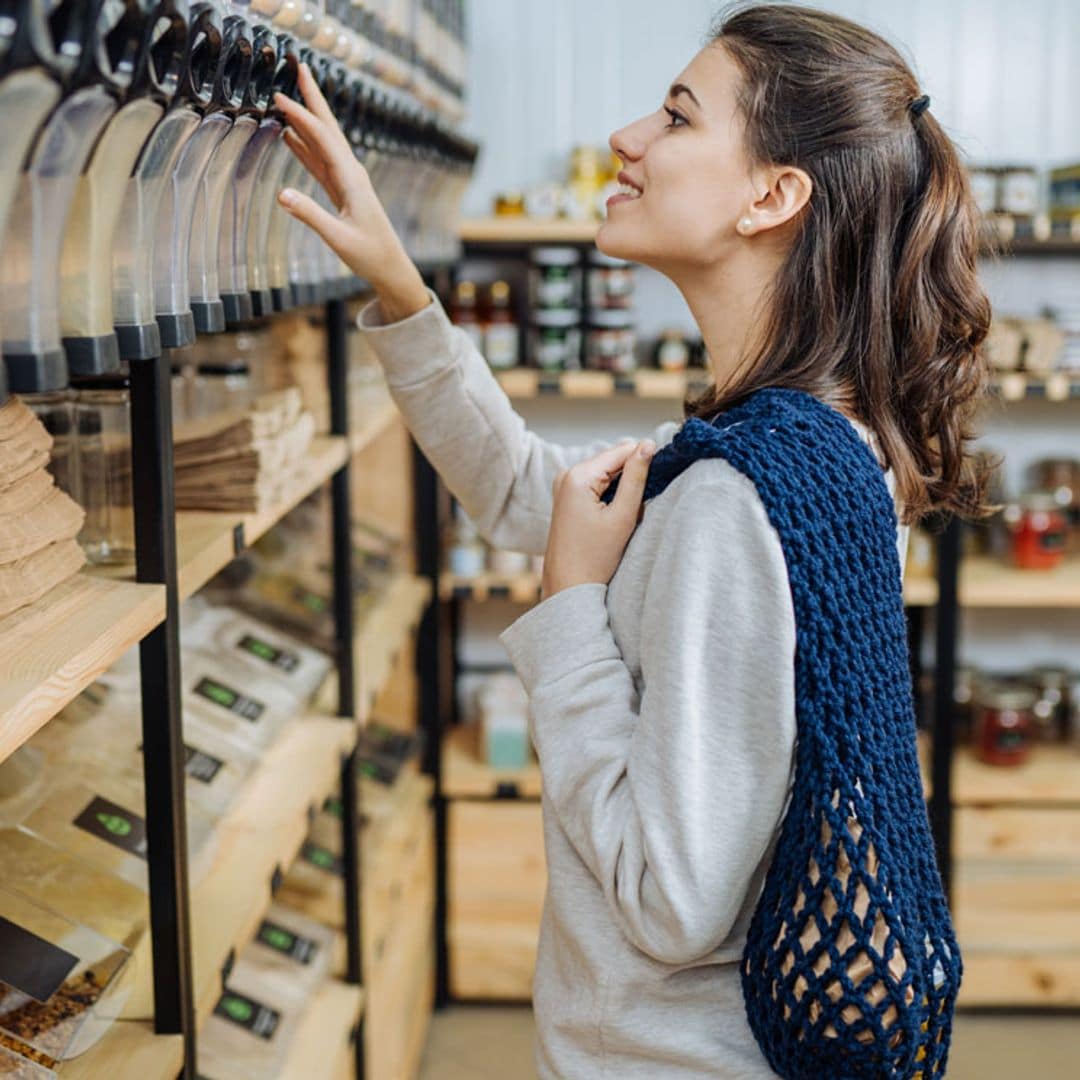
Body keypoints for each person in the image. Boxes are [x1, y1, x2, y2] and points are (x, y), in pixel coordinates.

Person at [274, 4, 990, 1076]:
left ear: (773, 196)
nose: (626, 137)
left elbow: (669, 904)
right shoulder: (807, 446)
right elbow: (537, 499)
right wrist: (404, 291)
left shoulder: (733, 502)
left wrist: (565, 613)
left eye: (676, 116)